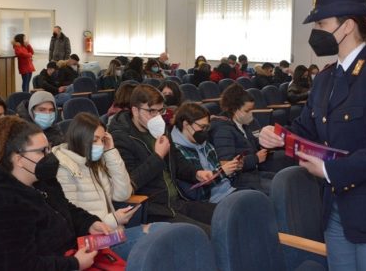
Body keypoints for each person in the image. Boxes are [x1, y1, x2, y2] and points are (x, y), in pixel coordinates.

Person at [258, 0, 366, 270]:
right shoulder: (326, 78)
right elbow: (307, 128)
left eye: (321, 24)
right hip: (336, 207)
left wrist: (330, 170)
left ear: (347, 26)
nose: (315, 32)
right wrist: (278, 137)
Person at [0, 116, 111, 270]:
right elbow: (18, 266)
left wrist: (89, 223)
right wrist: (74, 264)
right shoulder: (0, 203)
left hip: (68, 254)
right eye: (42, 151)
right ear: (18, 159)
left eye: (49, 148)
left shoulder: (42, 180)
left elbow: (64, 209)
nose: (50, 156)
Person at [53, 113, 166, 258]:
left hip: (112, 234)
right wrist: (114, 219)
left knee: (166, 231)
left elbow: (123, 194)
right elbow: (71, 220)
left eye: (102, 139)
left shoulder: (95, 163)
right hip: (90, 244)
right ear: (80, 138)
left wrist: (111, 151)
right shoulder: (64, 168)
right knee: (161, 239)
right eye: (94, 140)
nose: (99, 145)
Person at [108, 84, 216, 233]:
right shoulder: (120, 139)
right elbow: (130, 183)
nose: (157, 116)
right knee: (207, 233)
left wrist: (196, 173)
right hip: (154, 210)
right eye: (151, 111)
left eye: (160, 110)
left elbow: (175, 159)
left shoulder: (160, 128)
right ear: (135, 110)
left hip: (176, 201)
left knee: (224, 216)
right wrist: (158, 156)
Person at [209, 83, 271, 193]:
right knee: (279, 188)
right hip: (238, 180)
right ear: (234, 110)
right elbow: (227, 164)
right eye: (247, 111)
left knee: (284, 181)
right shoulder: (223, 130)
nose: (251, 114)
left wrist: (266, 143)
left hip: (253, 172)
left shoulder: (246, 123)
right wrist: (256, 158)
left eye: (252, 109)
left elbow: (255, 145)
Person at [171, 103, 239, 203]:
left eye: (206, 127)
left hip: (229, 190)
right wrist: (222, 173)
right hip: (210, 201)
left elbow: (220, 171)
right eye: (202, 127)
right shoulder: (176, 151)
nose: (204, 131)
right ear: (186, 124)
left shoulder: (203, 142)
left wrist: (232, 167)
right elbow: (196, 191)